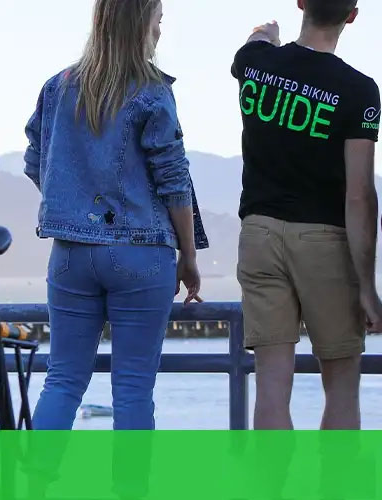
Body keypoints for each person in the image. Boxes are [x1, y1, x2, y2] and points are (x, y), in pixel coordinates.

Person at [24, 0, 207, 430]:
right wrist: (189, 255)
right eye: (158, 21)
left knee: (63, 380)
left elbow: (37, 162)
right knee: (133, 388)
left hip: (70, 254)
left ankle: (33, 486)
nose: (160, 31)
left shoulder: (57, 86)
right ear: (141, 24)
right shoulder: (152, 90)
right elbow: (173, 180)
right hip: (142, 253)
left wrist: (76, 207)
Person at [233, 0, 382, 430]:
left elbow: (253, 43)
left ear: (301, 3)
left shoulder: (255, 63)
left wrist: (267, 32)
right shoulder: (359, 90)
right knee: (340, 384)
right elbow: (359, 196)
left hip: (258, 234)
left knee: (272, 387)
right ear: (352, 16)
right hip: (324, 241)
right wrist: (368, 288)